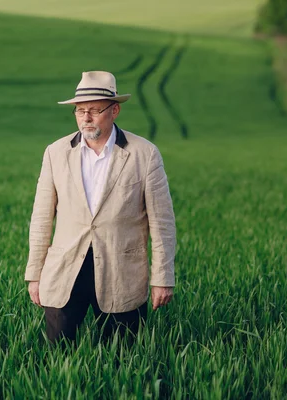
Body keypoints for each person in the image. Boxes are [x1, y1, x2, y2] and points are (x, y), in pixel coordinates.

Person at [24, 71, 176, 345]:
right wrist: (35, 274)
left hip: (123, 273)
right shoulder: (55, 153)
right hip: (64, 272)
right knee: (58, 356)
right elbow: (41, 219)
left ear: (115, 110)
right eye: (80, 111)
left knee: (122, 360)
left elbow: (162, 222)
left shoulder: (145, 153)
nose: (86, 118)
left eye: (94, 110)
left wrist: (162, 278)